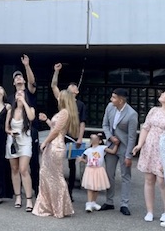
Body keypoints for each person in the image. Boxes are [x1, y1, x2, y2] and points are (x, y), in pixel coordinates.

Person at [132, 90, 165, 224]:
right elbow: (146, 128)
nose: (162, 95)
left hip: (163, 148)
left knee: (161, 180)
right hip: (150, 147)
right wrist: (140, 144)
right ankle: (150, 211)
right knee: (149, 179)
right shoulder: (153, 111)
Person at [33, 90, 78, 218]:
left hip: (55, 145)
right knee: (47, 174)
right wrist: (47, 120)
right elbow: (55, 127)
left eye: (60, 97)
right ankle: (51, 205)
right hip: (54, 144)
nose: (58, 98)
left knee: (55, 176)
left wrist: (45, 142)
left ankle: (59, 206)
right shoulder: (63, 112)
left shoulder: (64, 112)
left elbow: (56, 131)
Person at [50, 63, 87, 201]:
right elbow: (54, 85)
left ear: (77, 91)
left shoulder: (81, 105)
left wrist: (80, 138)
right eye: (70, 86)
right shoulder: (63, 100)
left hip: (73, 137)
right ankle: (57, 190)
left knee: (72, 165)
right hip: (60, 136)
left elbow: (82, 122)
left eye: (74, 86)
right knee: (57, 162)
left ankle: (69, 193)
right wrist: (56, 71)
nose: (72, 87)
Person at [101, 88, 139, 216]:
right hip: (111, 144)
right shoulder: (110, 107)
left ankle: (124, 204)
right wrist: (110, 137)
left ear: (121, 100)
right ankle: (109, 201)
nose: (111, 99)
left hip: (124, 146)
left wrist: (129, 155)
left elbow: (132, 136)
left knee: (125, 175)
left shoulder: (132, 114)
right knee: (109, 173)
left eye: (114, 97)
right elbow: (105, 125)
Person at [6, 87, 35, 211]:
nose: (19, 94)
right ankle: (18, 196)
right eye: (17, 93)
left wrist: (23, 102)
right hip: (13, 142)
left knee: (23, 169)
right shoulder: (10, 111)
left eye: (22, 93)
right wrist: (10, 132)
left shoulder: (30, 109)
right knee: (15, 169)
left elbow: (31, 118)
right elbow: (6, 128)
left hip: (25, 141)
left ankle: (29, 199)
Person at [13, 54, 39, 193]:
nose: (18, 78)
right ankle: (17, 189)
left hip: (30, 130)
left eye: (20, 76)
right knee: (16, 162)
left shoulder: (29, 92)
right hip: (16, 133)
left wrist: (27, 65)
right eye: (15, 77)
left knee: (33, 161)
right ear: (13, 83)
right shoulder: (11, 98)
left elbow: (32, 81)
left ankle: (36, 188)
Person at [78, 133, 117, 213]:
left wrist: (116, 144)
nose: (94, 140)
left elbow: (113, 151)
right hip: (90, 170)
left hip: (98, 169)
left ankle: (93, 202)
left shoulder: (102, 148)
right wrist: (81, 160)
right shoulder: (88, 150)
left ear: (99, 141)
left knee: (96, 187)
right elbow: (87, 161)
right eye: (92, 139)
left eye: (96, 138)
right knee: (90, 187)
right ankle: (89, 203)